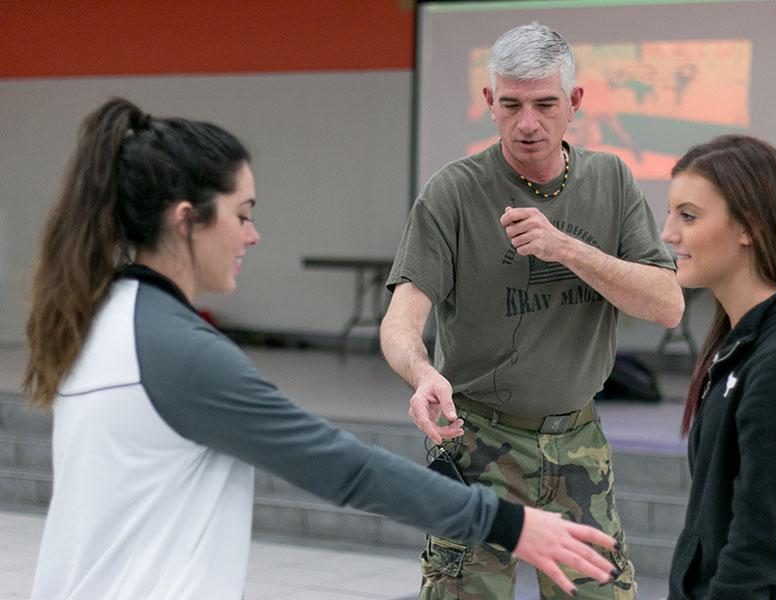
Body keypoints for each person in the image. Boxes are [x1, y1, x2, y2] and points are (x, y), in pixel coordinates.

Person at [22, 98, 622, 600]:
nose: (253, 235)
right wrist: (508, 523)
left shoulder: (103, 319)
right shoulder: (177, 352)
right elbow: (340, 466)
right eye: (243, 214)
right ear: (186, 220)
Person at [380, 23, 684, 600]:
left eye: (545, 104)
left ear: (574, 104)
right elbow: (400, 321)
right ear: (490, 104)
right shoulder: (454, 192)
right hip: (479, 441)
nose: (527, 123)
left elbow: (666, 303)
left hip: (579, 442)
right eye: (512, 104)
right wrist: (421, 376)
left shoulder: (610, 180)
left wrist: (564, 248)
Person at [661, 134, 776, 599]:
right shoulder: (749, 341)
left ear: (750, 227)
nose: (668, 232)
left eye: (688, 215)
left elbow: (756, 555)